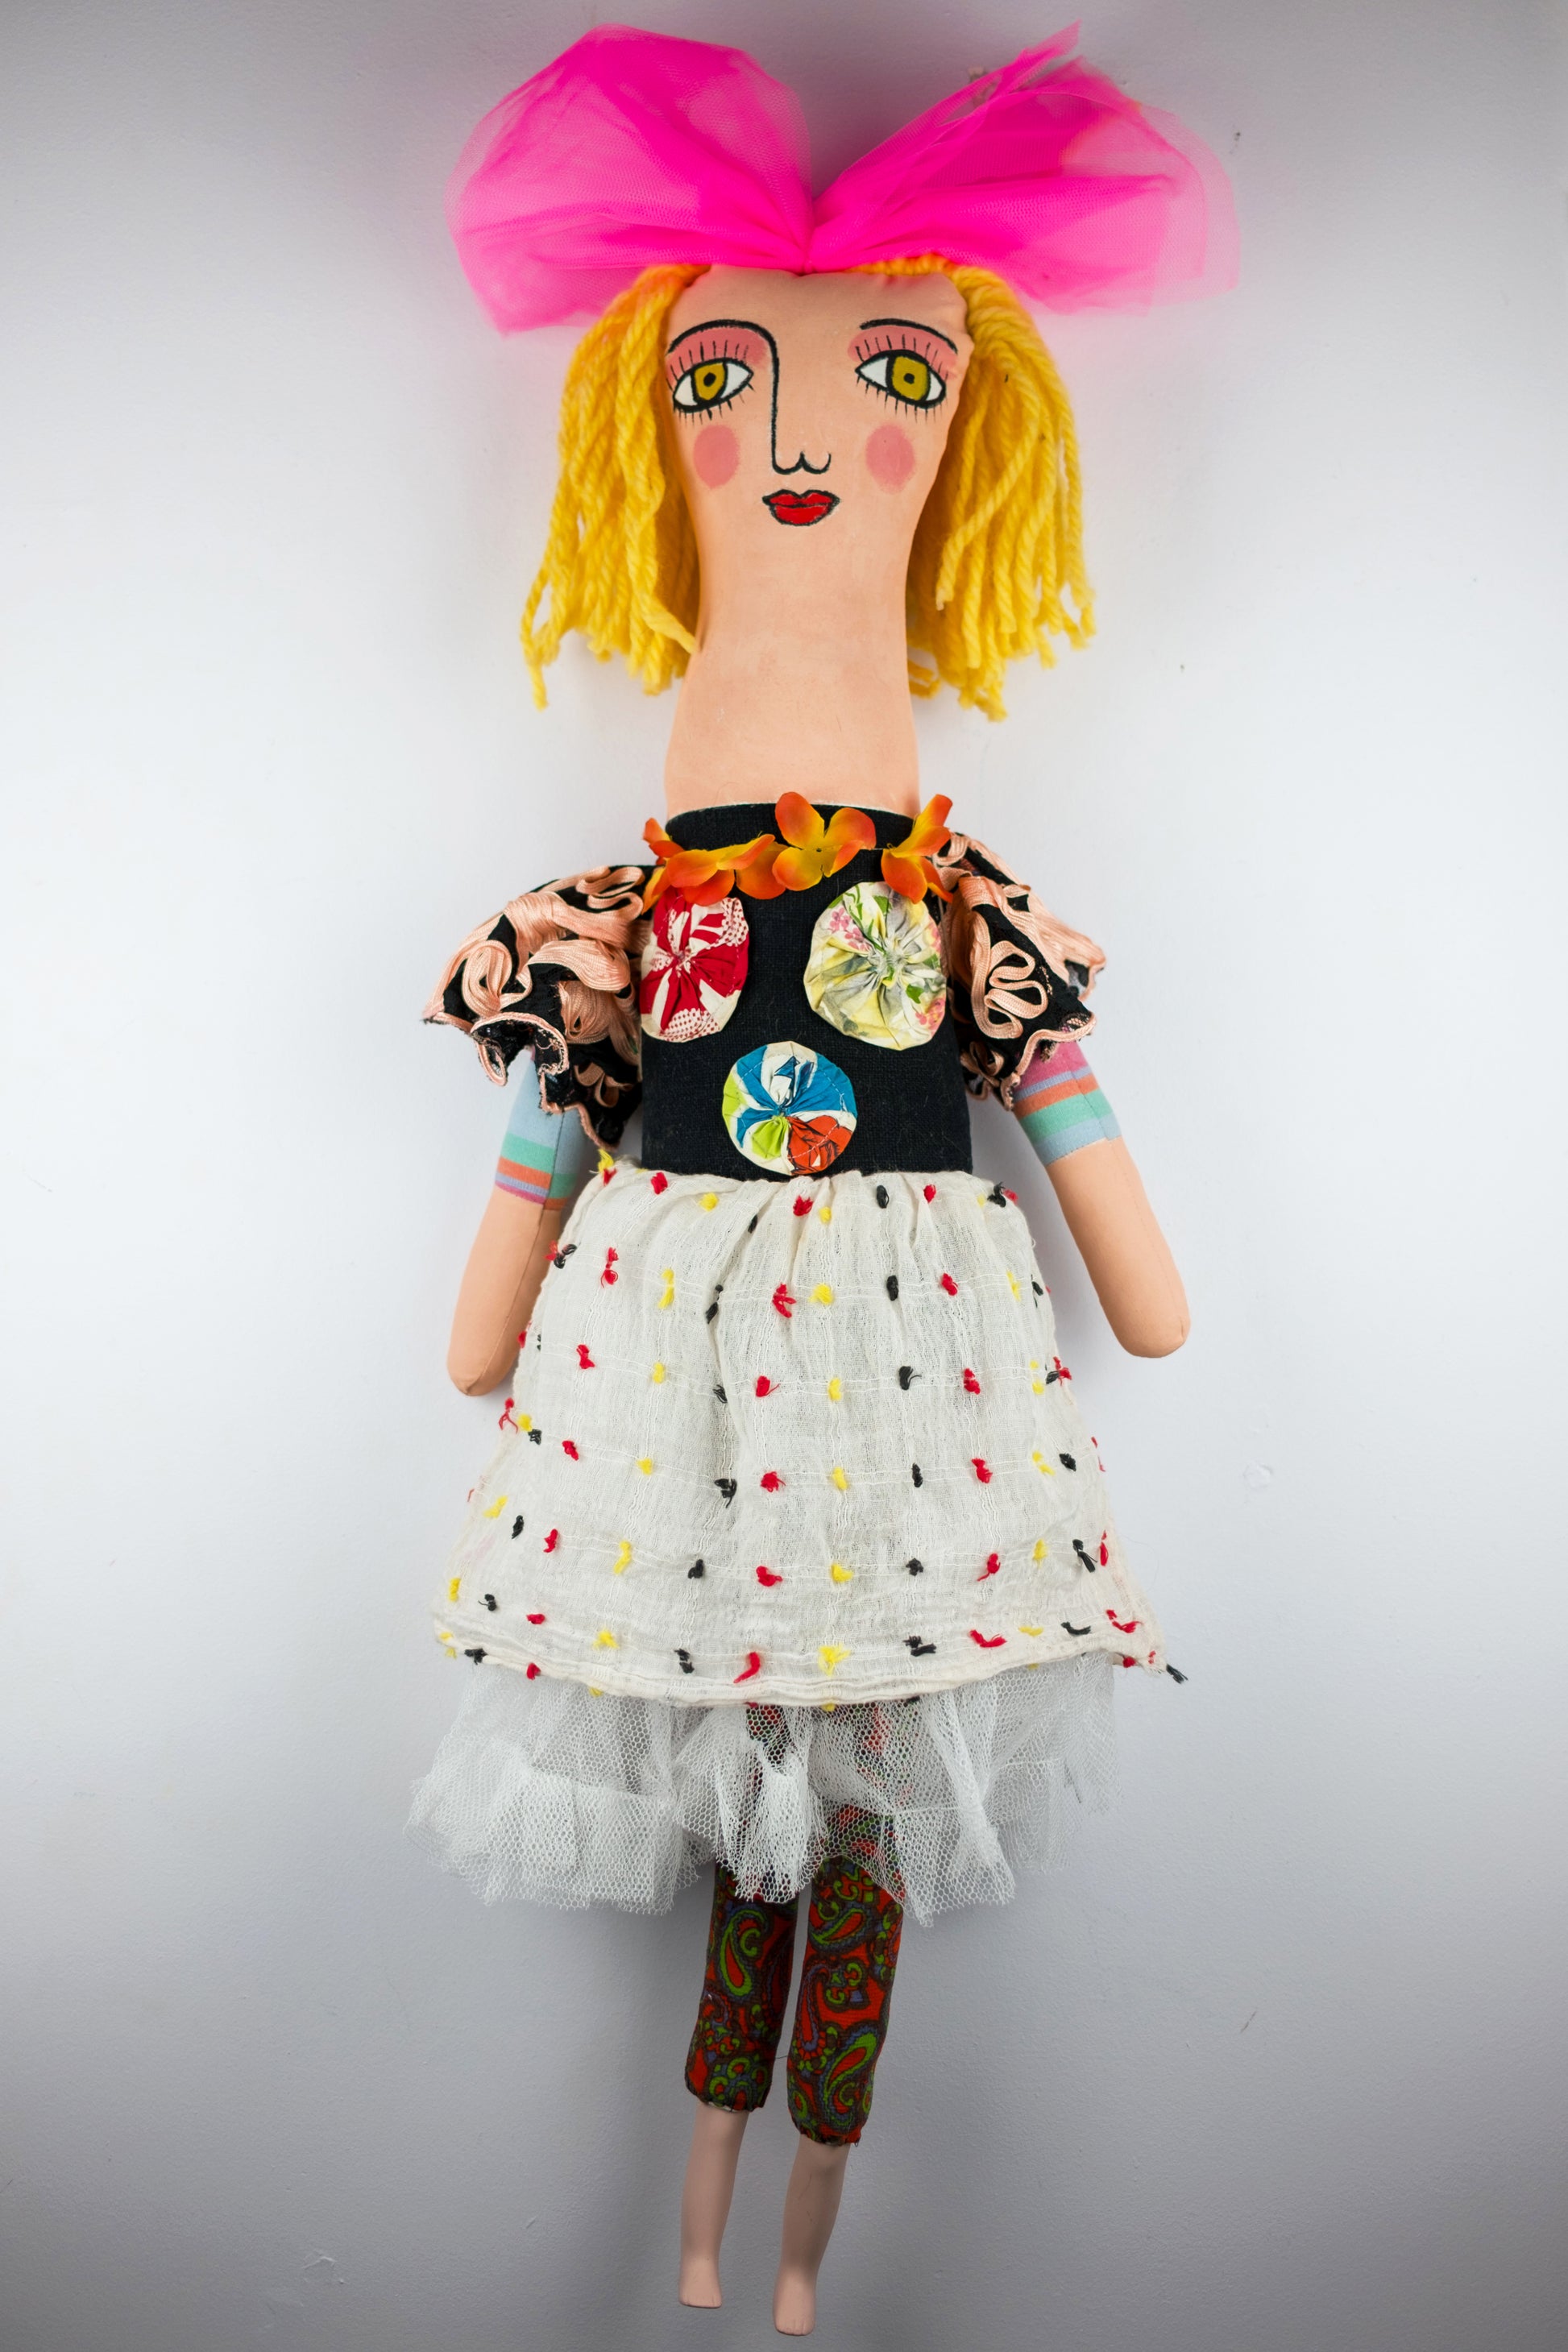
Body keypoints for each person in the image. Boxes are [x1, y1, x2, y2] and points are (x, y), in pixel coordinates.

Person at [409, 27, 1231, 2334]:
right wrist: (504, 1265)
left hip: (905, 1399)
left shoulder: (964, 919)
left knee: (853, 1825)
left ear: (954, 439)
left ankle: (778, 2232)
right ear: (649, 439)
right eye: (718, 388)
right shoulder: (621, 929)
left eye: (889, 380)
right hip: (687, 1412)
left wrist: (1124, 1246)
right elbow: (538, 1180)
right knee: (770, 1824)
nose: (791, 443)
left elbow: (1117, 1233)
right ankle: (720, 2217)